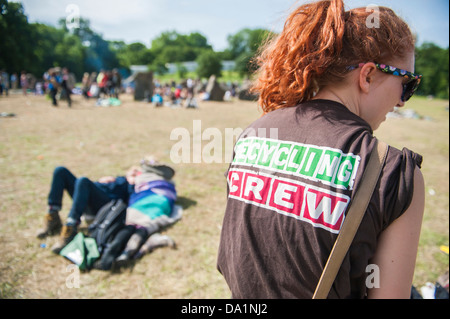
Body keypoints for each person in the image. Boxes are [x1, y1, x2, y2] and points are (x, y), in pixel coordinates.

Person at [217, 0, 425, 299]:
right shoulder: (395, 173)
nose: (403, 101)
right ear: (367, 76)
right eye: (408, 83)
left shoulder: (256, 131)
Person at [37, 166, 140, 254]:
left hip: (104, 206)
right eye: (132, 170)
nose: (133, 172)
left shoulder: (132, 186)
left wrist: (132, 184)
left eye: (137, 172)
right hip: (87, 196)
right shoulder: (117, 179)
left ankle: (71, 227)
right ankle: (53, 216)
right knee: (60, 170)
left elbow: (130, 202)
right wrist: (101, 181)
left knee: (83, 181)